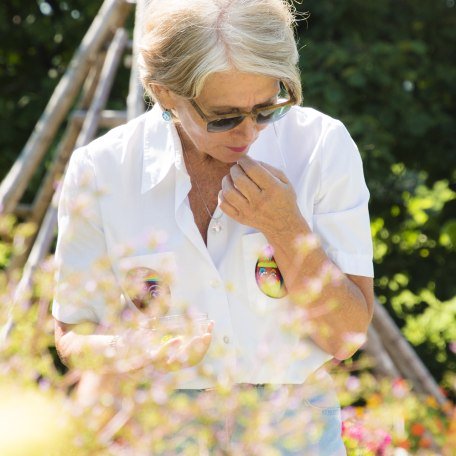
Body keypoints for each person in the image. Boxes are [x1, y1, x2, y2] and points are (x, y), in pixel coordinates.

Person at [53, 0, 374, 453]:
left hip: (293, 430)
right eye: (223, 117)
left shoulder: (322, 147)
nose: (248, 133)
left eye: (267, 108)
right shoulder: (101, 171)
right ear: (165, 93)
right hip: (160, 430)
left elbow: (346, 338)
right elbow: (71, 334)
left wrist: (286, 229)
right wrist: (136, 348)